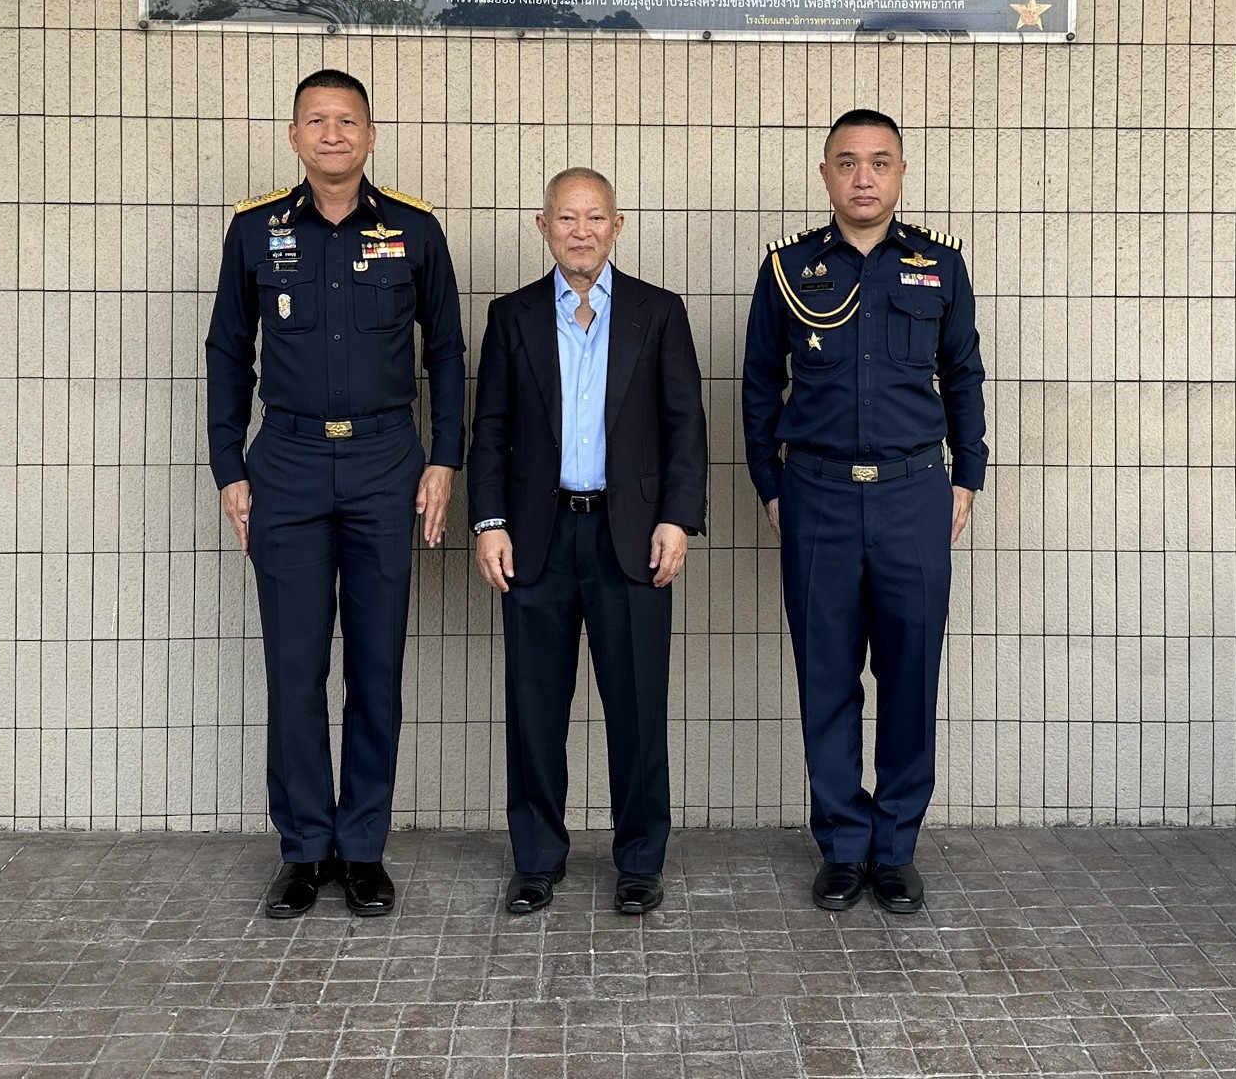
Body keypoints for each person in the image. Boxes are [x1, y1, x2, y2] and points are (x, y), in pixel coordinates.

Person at [206, 68, 465, 919]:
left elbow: (447, 350)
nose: (332, 134)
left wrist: (445, 459)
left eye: (347, 121)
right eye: (316, 121)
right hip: (285, 462)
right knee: (295, 668)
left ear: (370, 136)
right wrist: (229, 466)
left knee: (376, 667)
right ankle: (304, 848)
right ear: (294, 137)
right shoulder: (255, 232)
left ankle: (362, 848)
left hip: (387, 462)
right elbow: (226, 351)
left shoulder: (414, 230)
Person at [741, 109, 986, 914]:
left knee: (910, 676)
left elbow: (963, 374)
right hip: (817, 497)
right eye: (847, 162)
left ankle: (895, 848)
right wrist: (770, 486)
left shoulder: (939, 267)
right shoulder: (789, 269)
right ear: (826, 175)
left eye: (880, 161)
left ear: (901, 173)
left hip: (915, 494)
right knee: (828, 677)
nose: (864, 177)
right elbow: (757, 384)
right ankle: (844, 845)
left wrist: (967, 476)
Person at [467, 168, 708, 915]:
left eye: (595, 217)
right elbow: (491, 430)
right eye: (566, 218)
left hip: (628, 538)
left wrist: (677, 519)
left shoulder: (657, 312)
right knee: (535, 708)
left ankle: (639, 860)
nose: (581, 231)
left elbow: (686, 426)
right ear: (543, 227)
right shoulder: (511, 316)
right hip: (535, 540)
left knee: (637, 709)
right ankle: (537, 858)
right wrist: (488, 522)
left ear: (617, 225)